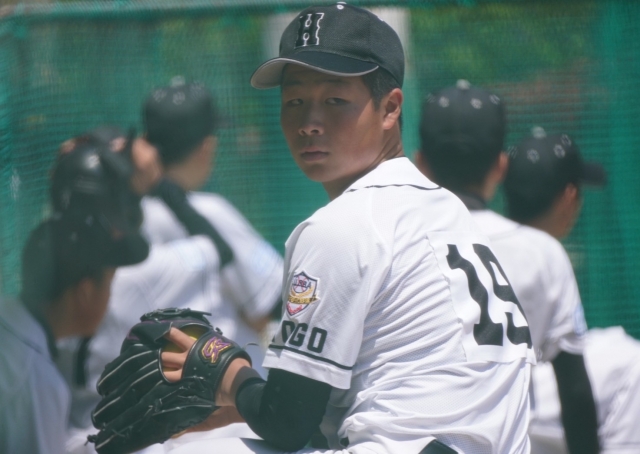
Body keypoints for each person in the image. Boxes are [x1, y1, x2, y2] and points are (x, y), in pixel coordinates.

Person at [147, 4, 535, 453]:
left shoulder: (343, 225)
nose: (309, 123)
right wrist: (245, 402)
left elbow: (287, 423)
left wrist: (230, 374)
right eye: (295, 101)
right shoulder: (444, 208)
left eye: (335, 100)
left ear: (390, 108)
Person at [415, 82, 600, 454]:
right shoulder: (543, 252)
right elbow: (575, 392)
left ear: (419, 163)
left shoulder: (388, 239)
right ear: (501, 166)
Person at [55, 127, 261, 453]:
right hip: (125, 439)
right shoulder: (146, 271)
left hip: (65, 431)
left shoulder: (48, 265)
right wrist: (160, 183)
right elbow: (219, 250)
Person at [503, 129, 640, 454]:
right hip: (522, 394)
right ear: (569, 197)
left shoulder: (472, 239)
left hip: (483, 391)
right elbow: (572, 381)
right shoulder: (546, 253)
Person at [0, 132, 152, 454]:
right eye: (109, 282)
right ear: (84, 291)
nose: (110, 294)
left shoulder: (10, 326)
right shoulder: (35, 378)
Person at [141, 79, 284, 374]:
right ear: (206, 147)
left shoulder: (127, 216)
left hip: (149, 382)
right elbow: (267, 308)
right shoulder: (209, 212)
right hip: (226, 385)